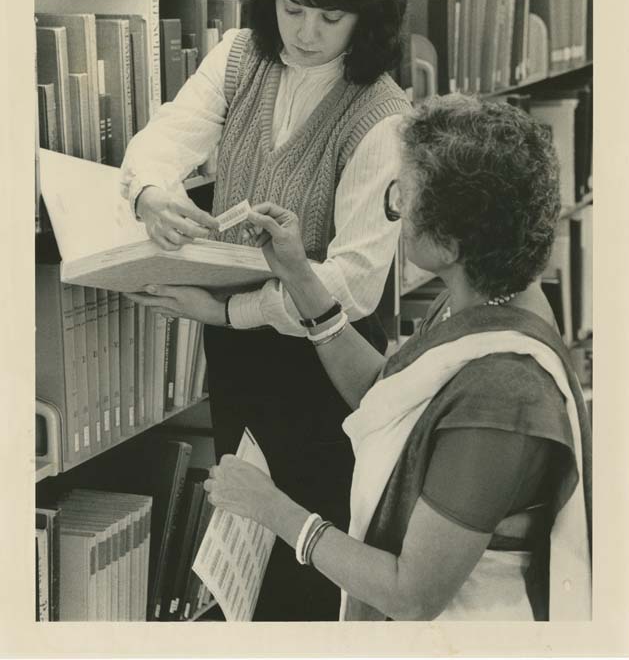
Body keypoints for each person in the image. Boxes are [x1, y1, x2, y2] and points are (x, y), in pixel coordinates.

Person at [120, 0, 412, 620]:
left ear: (363, 21)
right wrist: (153, 194)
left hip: (330, 365)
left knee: (312, 561)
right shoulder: (241, 56)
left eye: (330, 18)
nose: (307, 34)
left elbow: (350, 284)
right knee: (244, 555)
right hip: (242, 352)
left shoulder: (382, 115)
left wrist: (226, 310)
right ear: (272, 1)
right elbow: (160, 140)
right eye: (293, 9)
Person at [202, 94, 593, 621]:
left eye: (402, 197)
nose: (397, 212)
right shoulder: (486, 297)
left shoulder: (504, 394)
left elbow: (412, 593)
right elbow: (385, 394)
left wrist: (273, 508)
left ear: (451, 244)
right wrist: (299, 275)